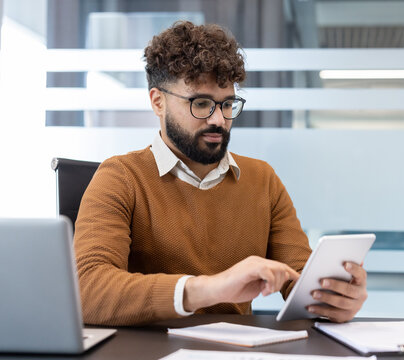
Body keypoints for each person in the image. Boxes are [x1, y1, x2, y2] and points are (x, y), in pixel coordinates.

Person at [74, 20, 367, 326]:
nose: (219, 119)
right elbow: (88, 291)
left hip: (238, 352)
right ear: (157, 102)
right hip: (152, 352)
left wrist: (334, 297)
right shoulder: (121, 177)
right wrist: (208, 289)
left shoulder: (262, 180)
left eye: (227, 104)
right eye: (201, 103)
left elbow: (299, 278)